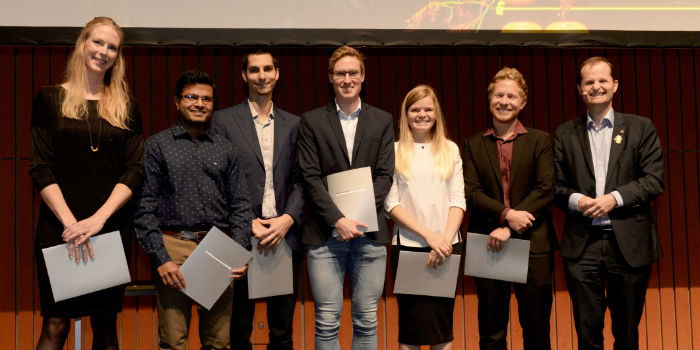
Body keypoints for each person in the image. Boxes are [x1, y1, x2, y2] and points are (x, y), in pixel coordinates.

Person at [29, 16, 143, 350]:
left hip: (108, 227)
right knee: (55, 323)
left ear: (117, 57)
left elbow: (134, 169)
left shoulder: (127, 106)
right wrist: (73, 224)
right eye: (98, 42)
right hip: (59, 229)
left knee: (106, 325)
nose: (103, 51)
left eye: (112, 47)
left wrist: (96, 221)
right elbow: (40, 166)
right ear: (83, 44)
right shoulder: (49, 99)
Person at [134, 70, 253, 350]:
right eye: (191, 97)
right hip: (174, 248)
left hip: (218, 250)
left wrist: (238, 253)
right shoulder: (156, 147)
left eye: (206, 99)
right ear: (177, 102)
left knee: (218, 343)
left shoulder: (227, 150)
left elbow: (241, 205)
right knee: (174, 342)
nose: (199, 103)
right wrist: (161, 258)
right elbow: (144, 207)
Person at [554, 56, 664, 350]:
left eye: (603, 80)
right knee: (587, 332)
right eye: (589, 82)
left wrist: (613, 200)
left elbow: (654, 180)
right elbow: (554, 186)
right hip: (582, 245)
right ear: (580, 89)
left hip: (629, 243)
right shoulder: (565, 133)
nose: (596, 86)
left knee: (627, 332)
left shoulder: (641, 128)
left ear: (615, 85)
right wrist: (578, 201)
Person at [297, 45, 395, 350]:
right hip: (325, 235)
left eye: (353, 73)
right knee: (326, 321)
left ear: (363, 76)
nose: (347, 79)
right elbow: (310, 177)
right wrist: (338, 220)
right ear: (330, 77)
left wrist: (358, 215)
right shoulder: (311, 122)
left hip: (370, 233)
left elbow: (385, 175)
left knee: (367, 320)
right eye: (341, 73)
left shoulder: (382, 121)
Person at [210, 49, 304, 350]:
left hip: (283, 236)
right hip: (240, 234)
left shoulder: (295, 124)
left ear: (277, 73)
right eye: (254, 70)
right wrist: (246, 221)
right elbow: (217, 179)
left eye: (267, 69)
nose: (261, 76)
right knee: (238, 329)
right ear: (244, 75)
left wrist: (287, 219)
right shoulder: (223, 121)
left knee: (282, 331)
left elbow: (303, 179)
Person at [462, 67, 557, 349]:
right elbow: (471, 192)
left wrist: (510, 226)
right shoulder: (472, 144)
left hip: (533, 243)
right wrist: (507, 217)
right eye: (499, 95)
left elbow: (545, 188)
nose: (505, 101)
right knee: (492, 334)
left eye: (512, 96)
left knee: (537, 331)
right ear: (489, 99)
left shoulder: (541, 140)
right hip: (488, 243)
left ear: (523, 102)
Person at [385, 85, 465, 350]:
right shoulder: (394, 151)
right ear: (405, 114)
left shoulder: (450, 149)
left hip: (447, 247)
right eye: (415, 109)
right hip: (408, 247)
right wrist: (429, 236)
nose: (422, 114)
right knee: (411, 330)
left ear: (436, 113)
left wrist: (443, 241)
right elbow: (391, 204)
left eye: (428, 109)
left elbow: (458, 201)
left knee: (441, 328)